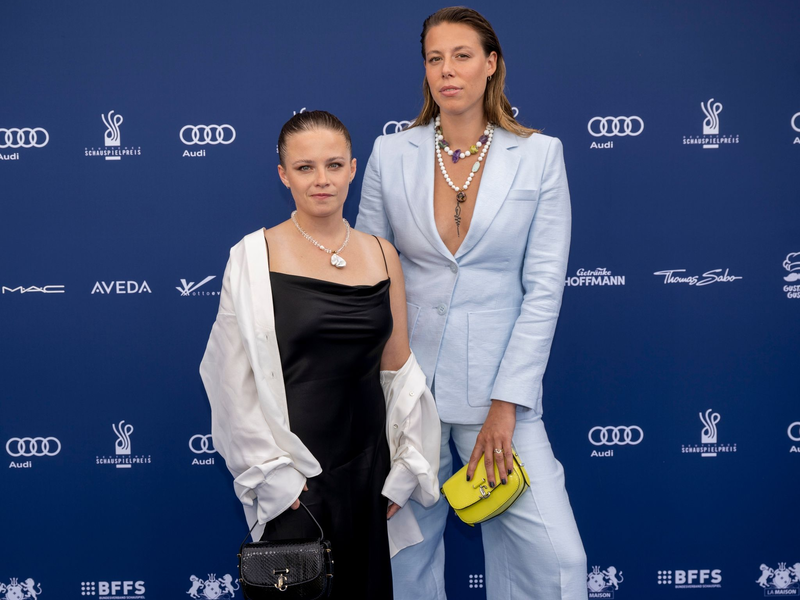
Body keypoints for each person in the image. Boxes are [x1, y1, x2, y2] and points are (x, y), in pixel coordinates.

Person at [356, 7, 588, 600]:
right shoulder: (392, 154)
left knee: (556, 563)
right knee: (401, 562)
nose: (447, 71)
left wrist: (507, 403)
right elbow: (371, 277)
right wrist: (385, 387)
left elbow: (543, 290)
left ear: (491, 65)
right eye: (435, 58)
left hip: (498, 400)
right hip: (405, 394)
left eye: (461, 56)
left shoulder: (539, 156)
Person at [200, 110, 440, 599]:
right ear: (283, 175)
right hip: (294, 477)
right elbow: (230, 381)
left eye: (333, 165)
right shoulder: (252, 255)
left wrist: (406, 462)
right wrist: (276, 479)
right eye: (305, 168)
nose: (321, 180)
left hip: (369, 471)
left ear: (353, 169)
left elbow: (398, 368)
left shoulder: (382, 253)